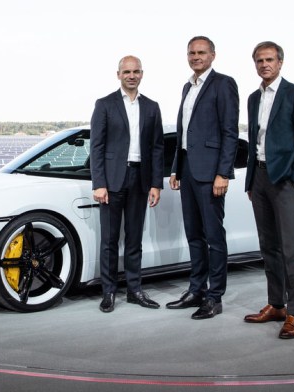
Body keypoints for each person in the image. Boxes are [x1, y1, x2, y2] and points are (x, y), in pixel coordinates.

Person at [243, 41, 294, 339]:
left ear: (280, 62)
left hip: (284, 182)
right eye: (259, 60)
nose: (264, 65)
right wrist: (250, 182)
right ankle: (276, 305)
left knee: (290, 249)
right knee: (268, 247)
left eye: (269, 59)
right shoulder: (252, 98)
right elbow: (254, 142)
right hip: (258, 179)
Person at [165, 36, 239, 320]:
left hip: (211, 175)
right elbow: (184, 132)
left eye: (201, 52)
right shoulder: (188, 86)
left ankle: (214, 297)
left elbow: (229, 132)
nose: (195, 57)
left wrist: (223, 173)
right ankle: (196, 289)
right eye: (191, 53)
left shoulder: (223, 84)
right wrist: (176, 167)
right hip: (187, 171)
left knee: (213, 237)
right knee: (194, 236)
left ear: (213, 55)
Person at [90, 55, 165, 313]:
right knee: (109, 240)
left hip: (140, 179)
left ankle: (134, 290)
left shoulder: (152, 107)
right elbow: (96, 147)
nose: (131, 76)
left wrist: (156, 183)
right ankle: (109, 292)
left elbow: (157, 148)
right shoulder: (105, 104)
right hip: (111, 181)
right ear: (118, 74)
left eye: (136, 71)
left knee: (134, 239)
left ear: (142, 74)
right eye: (127, 72)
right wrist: (98, 183)